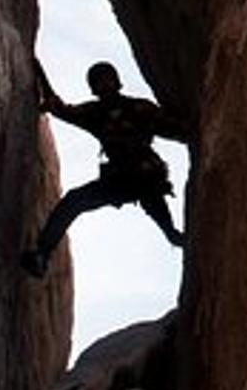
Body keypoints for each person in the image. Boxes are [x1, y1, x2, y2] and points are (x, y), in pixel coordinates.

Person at [22, 59, 188, 278]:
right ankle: (42, 255)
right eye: (99, 82)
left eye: (106, 80)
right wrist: (39, 72)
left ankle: (186, 238)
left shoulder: (137, 108)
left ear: (116, 82)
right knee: (74, 201)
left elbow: (176, 130)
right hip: (123, 180)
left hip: (146, 177)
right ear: (94, 88)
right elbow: (60, 108)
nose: (103, 85)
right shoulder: (97, 113)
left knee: (170, 232)